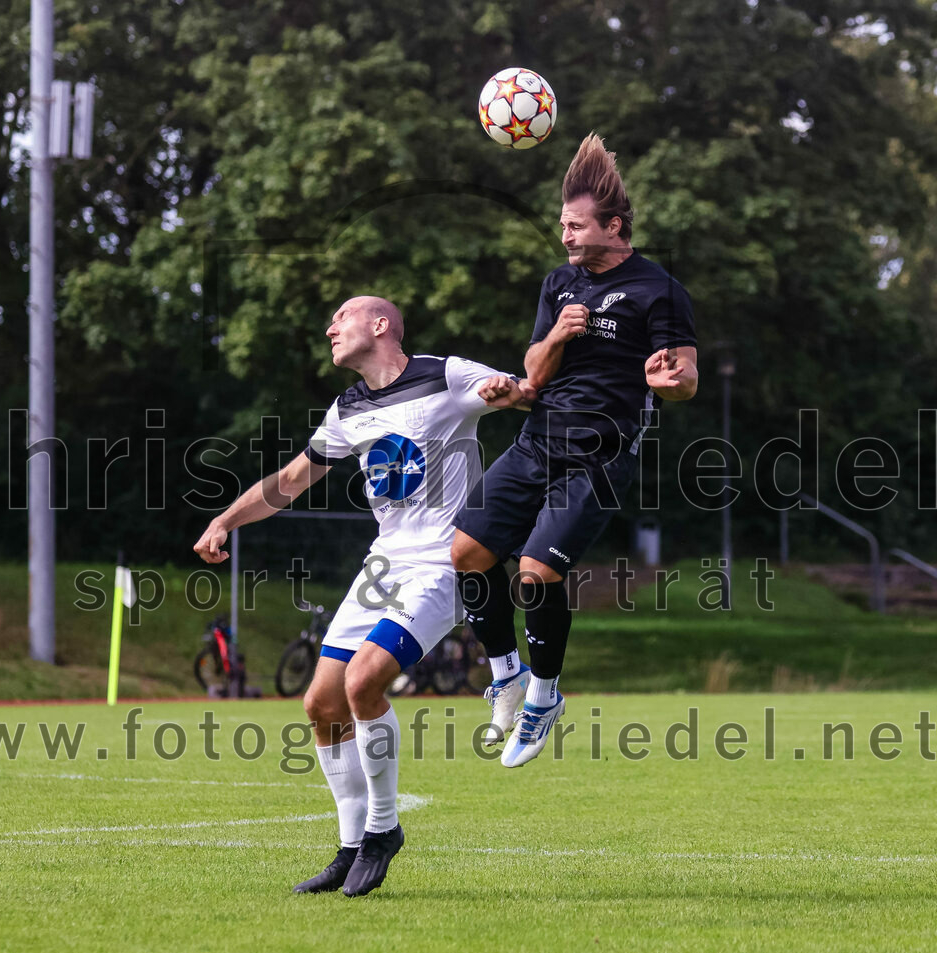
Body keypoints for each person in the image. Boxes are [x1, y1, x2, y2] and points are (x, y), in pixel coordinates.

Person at [194, 295, 524, 896]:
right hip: (384, 563)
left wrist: (510, 390)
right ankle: (350, 847)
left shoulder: (445, 375)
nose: (329, 328)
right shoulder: (347, 408)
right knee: (321, 704)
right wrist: (225, 519)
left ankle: (383, 829)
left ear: (380, 324)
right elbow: (291, 480)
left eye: (340, 318)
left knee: (363, 681)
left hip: (441, 564)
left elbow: (527, 393)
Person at [452, 133, 699, 768]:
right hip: (536, 441)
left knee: (536, 573)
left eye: (575, 225)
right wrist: (557, 335)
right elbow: (534, 372)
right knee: (467, 555)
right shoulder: (559, 284)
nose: (564, 234)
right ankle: (506, 676)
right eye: (562, 224)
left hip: (601, 457)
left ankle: (543, 696)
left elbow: (687, 379)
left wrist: (669, 382)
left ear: (613, 227)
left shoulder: (660, 290)